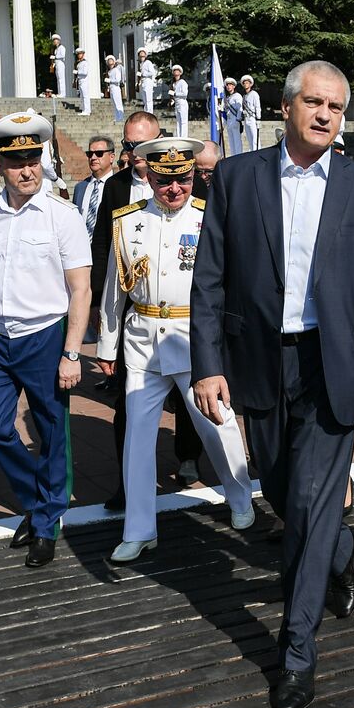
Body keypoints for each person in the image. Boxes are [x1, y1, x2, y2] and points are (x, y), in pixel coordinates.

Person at [191, 60, 354, 708]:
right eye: (314, 103)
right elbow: (209, 279)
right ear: (287, 107)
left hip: (331, 365)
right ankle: (341, 552)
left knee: (314, 505)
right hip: (260, 363)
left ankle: (297, 651)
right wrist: (208, 364)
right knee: (287, 497)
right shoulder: (236, 179)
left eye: (336, 107)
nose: (325, 114)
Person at [98, 137, 255, 562]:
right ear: (148, 176)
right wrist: (108, 347)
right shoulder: (127, 222)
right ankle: (140, 528)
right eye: (166, 181)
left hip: (194, 339)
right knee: (137, 437)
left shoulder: (209, 218)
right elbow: (115, 289)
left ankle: (241, 499)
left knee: (217, 425)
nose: (175, 190)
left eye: (183, 180)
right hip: (142, 338)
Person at [0, 111, 91, 569]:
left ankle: (46, 523)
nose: (27, 169)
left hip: (45, 337)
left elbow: (80, 289)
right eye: (16, 162)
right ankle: (39, 503)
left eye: (33, 157)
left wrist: (72, 352)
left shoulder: (62, 216)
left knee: (53, 434)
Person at [87, 111, 200, 509]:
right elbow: (104, 243)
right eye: (127, 145)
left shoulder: (188, 182)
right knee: (128, 405)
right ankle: (129, 482)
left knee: (191, 397)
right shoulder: (116, 188)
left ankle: (187, 455)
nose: (131, 152)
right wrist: (104, 300)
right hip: (135, 315)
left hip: (181, 312)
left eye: (138, 145)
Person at [74, 135, 117, 239]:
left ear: (111, 157)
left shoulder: (119, 185)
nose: (93, 158)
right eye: (90, 154)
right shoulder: (80, 187)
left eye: (99, 154)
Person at [222, 77, 243, 156]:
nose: (228, 87)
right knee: (231, 141)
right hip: (229, 120)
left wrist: (238, 120)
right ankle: (233, 156)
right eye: (227, 85)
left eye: (230, 85)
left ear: (234, 86)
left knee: (237, 140)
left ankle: (238, 156)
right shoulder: (228, 98)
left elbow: (239, 108)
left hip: (235, 119)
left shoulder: (237, 96)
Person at [241, 74, 261, 151]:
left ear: (250, 84)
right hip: (246, 119)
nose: (246, 84)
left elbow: (257, 107)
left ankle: (257, 153)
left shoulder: (254, 94)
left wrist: (258, 118)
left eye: (247, 83)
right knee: (249, 139)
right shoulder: (244, 96)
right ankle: (252, 153)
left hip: (253, 118)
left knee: (255, 138)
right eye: (244, 83)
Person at [106, 54, 125, 122]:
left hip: (116, 87)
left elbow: (118, 80)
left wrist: (110, 80)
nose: (110, 62)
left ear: (114, 62)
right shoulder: (109, 71)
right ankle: (117, 117)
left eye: (111, 60)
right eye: (109, 61)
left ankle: (121, 117)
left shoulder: (116, 70)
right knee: (114, 103)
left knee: (118, 103)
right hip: (111, 88)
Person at [137, 49, 157, 114]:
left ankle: (150, 113)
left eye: (143, 56)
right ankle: (146, 113)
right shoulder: (141, 64)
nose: (141, 57)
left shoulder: (148, 62)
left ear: (145, 56)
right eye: (140, 56)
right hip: (143, 83)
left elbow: (152, 72)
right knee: (145, 100)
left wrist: (144, 74)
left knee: (148, 99)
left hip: (148, 82)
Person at [74, 48, 91, 116]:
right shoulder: (78, 63)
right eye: (78, 54)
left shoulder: (85, 63)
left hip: (84, 80)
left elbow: (85, 72)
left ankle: (87, 110)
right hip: (80, 80)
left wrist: (78, 72)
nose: (79, 55)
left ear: (83, 54)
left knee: (85, 95)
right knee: (81, 95)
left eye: (80, 53)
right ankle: (84, 109)